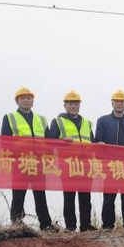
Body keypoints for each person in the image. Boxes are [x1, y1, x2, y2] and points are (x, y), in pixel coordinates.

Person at [0, 87, 53, 230]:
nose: (26, 100)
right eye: (22, 98)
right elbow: (4, 142)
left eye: (28, 98)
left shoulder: (41, 120)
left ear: (33, 101)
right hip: (20, 161)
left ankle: (46, 223)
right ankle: (16, 221)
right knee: (18, 193)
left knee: (40, 194)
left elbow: (49, 141)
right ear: (17, 101)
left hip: (38, 162)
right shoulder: (10, 117)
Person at [46, 90, 95, 231]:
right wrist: (61, 140)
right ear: (65, 106)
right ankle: (70, 226)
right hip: (68, 165)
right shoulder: (58, 121)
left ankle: (86, 225)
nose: (73, 106)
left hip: (85, 165)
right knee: (69, 197)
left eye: (76, 103)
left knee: (85, 197)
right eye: (70, 104)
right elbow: (50, 141)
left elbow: (91, 141)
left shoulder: (87, 123)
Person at [95, 90, 124, 231]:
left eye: (122, 101)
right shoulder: (103, 121)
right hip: (110, 166)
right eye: (117, 101)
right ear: (112, 103)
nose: (120, 104)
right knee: (109, 198)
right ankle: (107, 225)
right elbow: (98, 141)